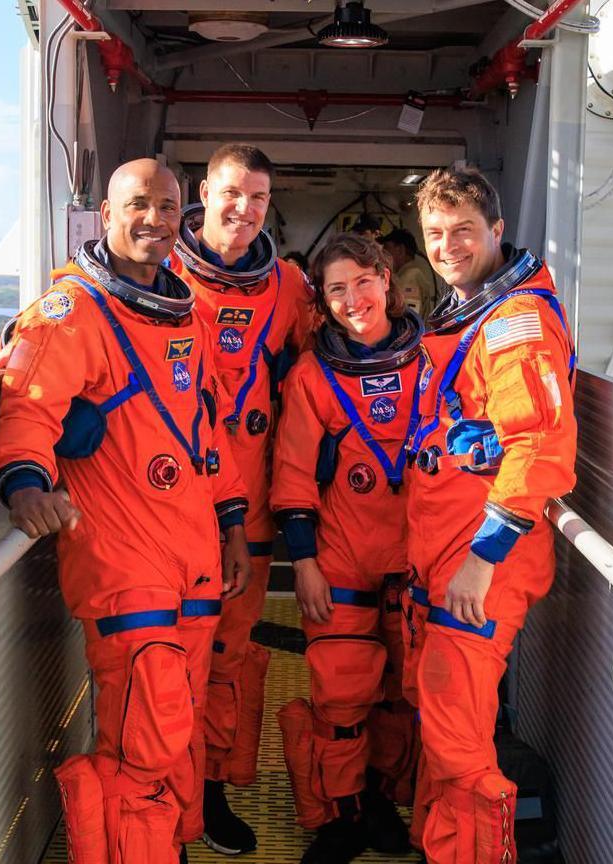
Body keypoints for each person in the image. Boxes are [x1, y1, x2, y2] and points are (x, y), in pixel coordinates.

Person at [0, 158, 251, 864]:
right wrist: (25, 485)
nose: (155, 221)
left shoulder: (183, 312)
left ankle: (168, 846)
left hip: (194, 556)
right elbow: (28, 409)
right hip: (124, 562)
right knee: (143, 737)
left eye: (168, 208)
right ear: (106, 215)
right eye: (139, 205)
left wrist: (231, 523)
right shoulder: (71, 314)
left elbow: (205, 430)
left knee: (180, 723)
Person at [403, 166, 577, 861]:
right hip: (449, 557)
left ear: (497, 232)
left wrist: (482, 560)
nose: (447, 247)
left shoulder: (515, 323)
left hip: (482, 566)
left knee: (459, 747)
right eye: (436, 234)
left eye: (464, 232)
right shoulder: (471, 313)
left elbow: (538, 444)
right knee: (450, 733)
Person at [167, 142, 317, 855]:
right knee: (164, 661)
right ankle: (158, 798)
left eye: (258, 198)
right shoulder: (157, 270)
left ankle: (210, 791)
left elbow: (328, 366)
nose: (244, 209)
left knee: (227, 660)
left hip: (247, 517)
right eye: (232, 193)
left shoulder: (288, 288)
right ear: (204, 191)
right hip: (166, 513)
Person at [271, 234, 422, 864]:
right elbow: (293, 474)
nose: (353, 298)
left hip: (416, 560)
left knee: (400, 696)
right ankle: (343, 813)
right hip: (341, 560)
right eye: (336, 289)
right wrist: (303, 562)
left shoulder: (433, 360)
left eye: (363, 281)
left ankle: (380, 800)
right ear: (324, 301)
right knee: (340, 700)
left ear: (386, 279)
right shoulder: (313, 375)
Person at [378, 228, 440, 318]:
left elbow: (408, 318)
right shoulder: (406, 275)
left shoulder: (410, 277)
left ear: (400, 250)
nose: (383, 255)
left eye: (387, 249)